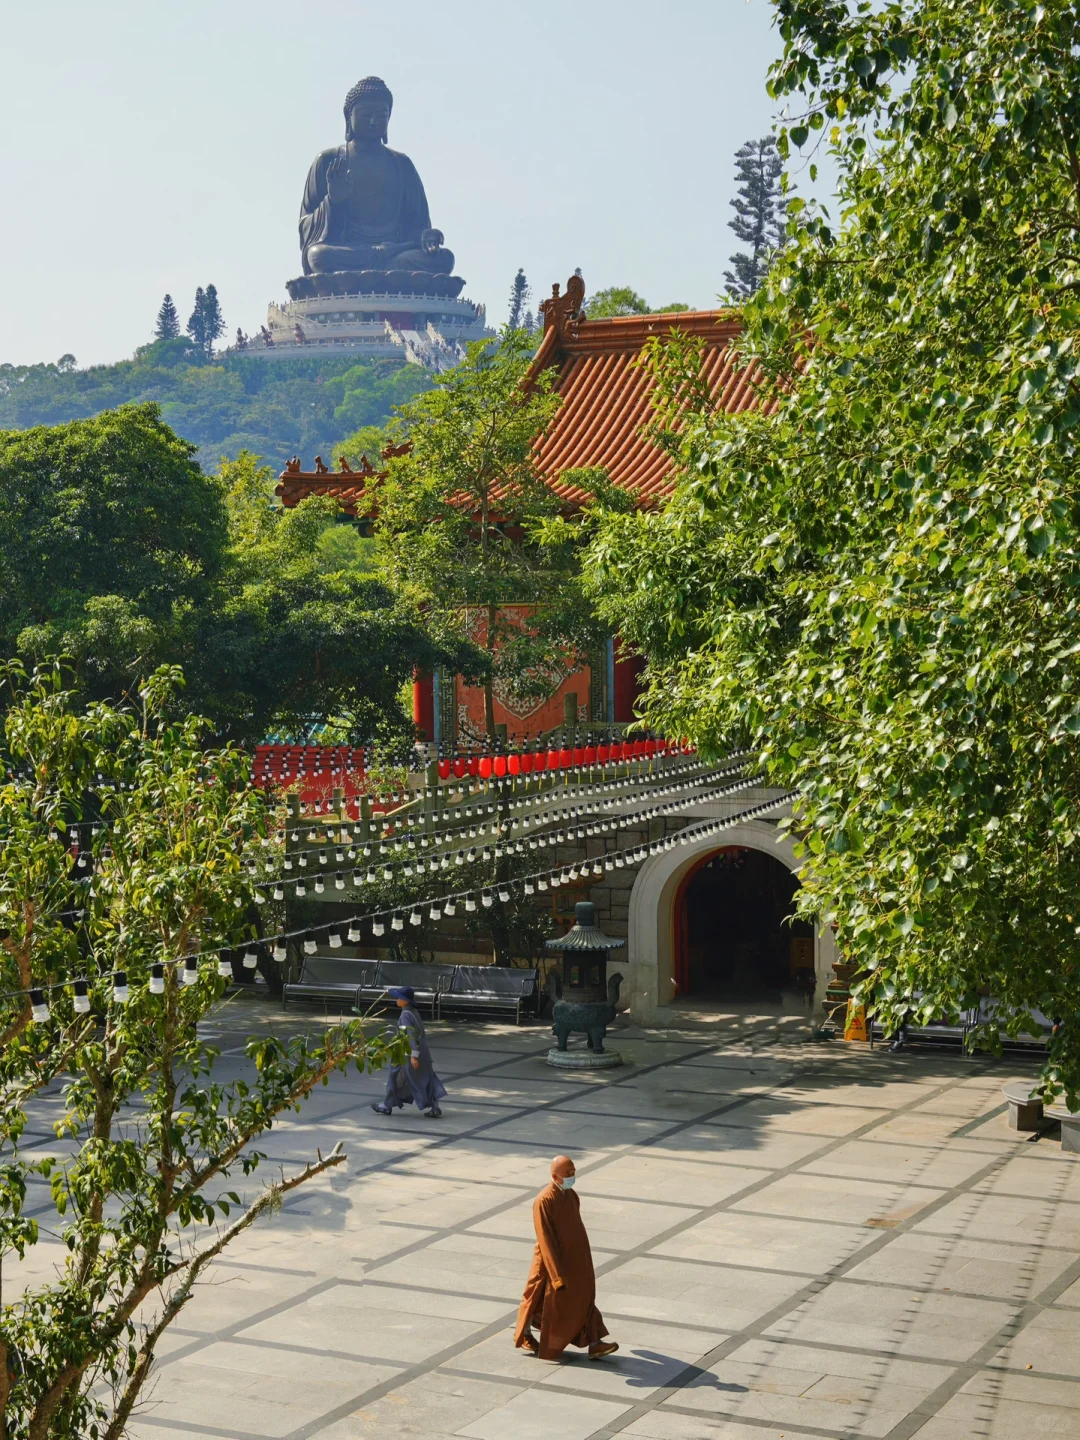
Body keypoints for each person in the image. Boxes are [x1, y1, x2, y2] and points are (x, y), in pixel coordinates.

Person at [514, 1155, 618, 1361]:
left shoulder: (570, 1195)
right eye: (568, 1174)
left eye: (573, 1172)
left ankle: (595, 1343)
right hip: (550, 1263)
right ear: (555, 1176)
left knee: (583, 1298)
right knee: (536, 1298)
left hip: (574, 1260)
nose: (572, 1177)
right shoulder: (544, 1200)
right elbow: (546, 1240)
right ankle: (524, 1334)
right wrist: (556, 1275)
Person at [371, 986, 447, 1119]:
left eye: (399, 997)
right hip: (422, 1052)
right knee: (426, 1078)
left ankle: (387, 1105)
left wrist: (413, 1056)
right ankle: (435, 1107)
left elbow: (409, 1036)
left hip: (407, 1054)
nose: (396, 999)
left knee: (394, 1076)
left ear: (405, 1000)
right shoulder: (413, 1012)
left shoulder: (405, 1016)